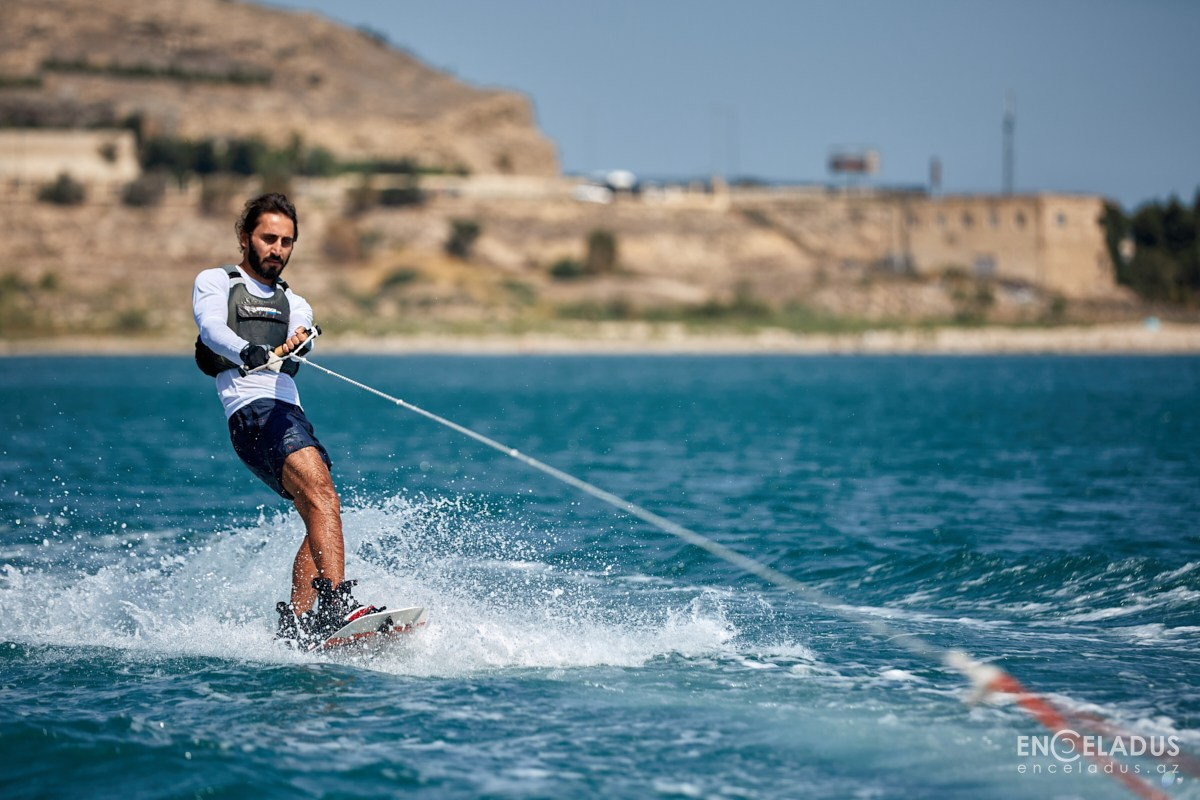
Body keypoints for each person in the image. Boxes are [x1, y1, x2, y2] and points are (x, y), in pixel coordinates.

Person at [192, 192, 381, 648]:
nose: (277, 249)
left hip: (289, 412)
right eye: (268, 238)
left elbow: (306, 337)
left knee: (318, 507)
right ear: (245, 237)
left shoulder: (294, 302)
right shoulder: (217, 281)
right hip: (252, 413)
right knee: (322, 497)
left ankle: (299, 622)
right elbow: (211, 328)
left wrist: (300, 343)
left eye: (287, 241)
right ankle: (335, 607)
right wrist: (246, 350)